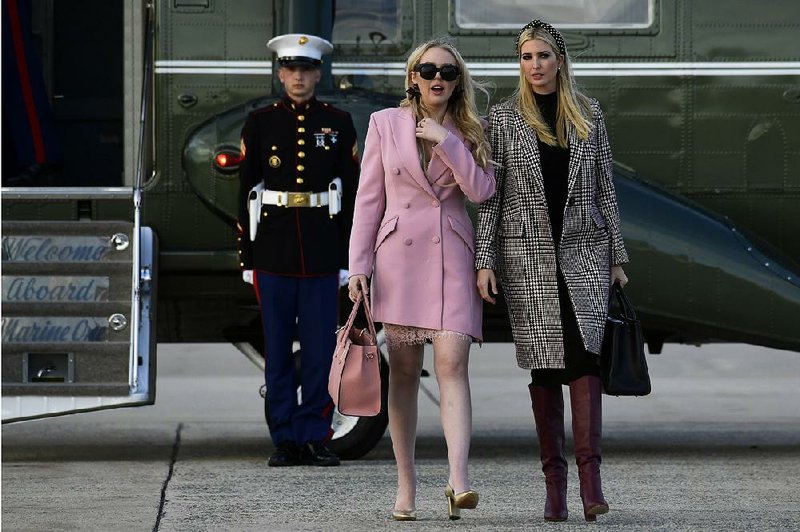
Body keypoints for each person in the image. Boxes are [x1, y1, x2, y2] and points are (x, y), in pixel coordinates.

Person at [474, 20, 629, 522]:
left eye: (543, 55)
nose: (535, 65)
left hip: (585, 253)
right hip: (527, 260)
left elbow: (605, 187)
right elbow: (491, 201)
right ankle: (554, 488)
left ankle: (591, 485)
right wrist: (484, 260)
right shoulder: (503, 118)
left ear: (560, 60)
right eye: (526, 57)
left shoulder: (588, 114)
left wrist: (617, 256)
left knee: (585, 361)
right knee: (544, 367)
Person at [348, 39, 495, 521]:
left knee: (453, 362)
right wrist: (359, 267)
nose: (437, 78)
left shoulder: (471, 129)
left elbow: (482, 191)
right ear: (412, 76)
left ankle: (458, 480)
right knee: (406, 373)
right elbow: (369, 201)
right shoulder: (383, 124)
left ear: (457, 81)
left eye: (448, 72)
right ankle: (405, 486)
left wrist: (447, 140)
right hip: (398, 259)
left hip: (452, 253)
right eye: (428, 69)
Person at [237, 33, 359, 468]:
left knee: (320, 354)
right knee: (277, 354)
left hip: (323, 253)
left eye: (307, 70)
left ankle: (314, 436)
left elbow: (352, 193)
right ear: (280, 73)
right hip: (272, 251)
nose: (299, 77)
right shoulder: (260, 121)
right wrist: (247, 258)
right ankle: (284, 438)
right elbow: (248, 190)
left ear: (317, 73)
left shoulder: (339, 121)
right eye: (291, 69)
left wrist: (349, 259)